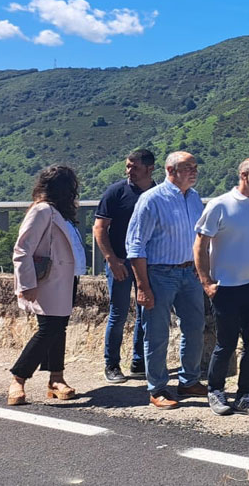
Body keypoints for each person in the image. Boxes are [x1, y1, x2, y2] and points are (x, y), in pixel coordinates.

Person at [194, 158, 249, 416]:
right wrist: (206, 281)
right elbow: (200, 243)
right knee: (227, 343)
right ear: (244, 175)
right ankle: (216, 391)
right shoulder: (220, 205)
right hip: (227, 287)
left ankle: (246, 395)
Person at [125, 151, 207, 409]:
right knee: (157, 332)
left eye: (195, 167)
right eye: (187, 167)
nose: (193, 171)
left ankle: (189, 380)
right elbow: (136, 244)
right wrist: (142, 285)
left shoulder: (194, 198)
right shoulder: (152, 199)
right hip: (159, 273)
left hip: (188, 272)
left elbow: (200, 238)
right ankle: (157, 388)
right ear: (170, 171)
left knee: (195, 327)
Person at [8, 165, 86, 405]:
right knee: (48, 329)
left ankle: (56, 379)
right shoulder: (42, 210)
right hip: (49, 281)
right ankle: (18, 378)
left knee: (57, 328)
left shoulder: (59, 213)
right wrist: (26, 284)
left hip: (65, 279)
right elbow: (22, 250)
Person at [94, 148, 155, 383]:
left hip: (148, 263)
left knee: (146, 313)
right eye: (128, 165)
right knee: (118, 314)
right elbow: (100, 228)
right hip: (120, 261)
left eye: (134, 167)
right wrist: (111, 259)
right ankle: (112, 364)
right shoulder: (116, 192)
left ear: (150, 168)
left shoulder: (157, 193)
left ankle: (139, 362)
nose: (129, 171)